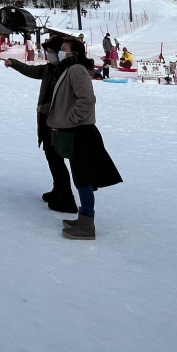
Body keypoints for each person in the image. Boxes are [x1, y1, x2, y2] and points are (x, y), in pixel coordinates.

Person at [48, 37, 123, 240]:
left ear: (75, 53)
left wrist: (72, 118)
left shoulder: (76, 69)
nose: (60, 52)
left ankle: (87, 225)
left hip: (81, 131)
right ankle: (83, 219)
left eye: (64, 49)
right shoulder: (69, 69)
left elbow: (87, 99)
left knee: (83, 179)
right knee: (81, 178)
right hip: (76, 131)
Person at [4, 36, 78, 215]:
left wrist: (45, 107)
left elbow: (64, 99)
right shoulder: (50, 69)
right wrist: (13, 63)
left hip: (57, 122)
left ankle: (67, 197)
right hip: (46, 121)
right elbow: (31, 71)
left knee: (57, 158)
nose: (49, 55)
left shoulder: (67, 72)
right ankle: (58, 189)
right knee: (51, 156)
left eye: (52, 52)